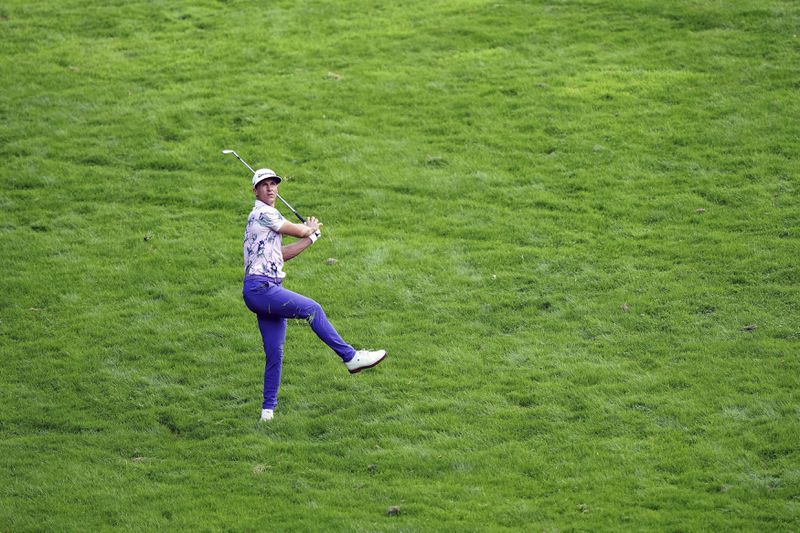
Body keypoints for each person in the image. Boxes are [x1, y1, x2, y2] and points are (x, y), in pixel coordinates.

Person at [241, 168, 386, 421]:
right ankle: (351, 358)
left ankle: (267, 412)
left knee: (275, 352)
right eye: (264, 185)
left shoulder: (265, 220)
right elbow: (296, 231)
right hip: (261, 288)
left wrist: (312, 239)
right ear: (255, 191)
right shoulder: (263, 213)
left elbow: (282, 255)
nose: (270, 188)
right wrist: (308, 228)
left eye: (274, 184)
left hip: (264, 289)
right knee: (313, 308)